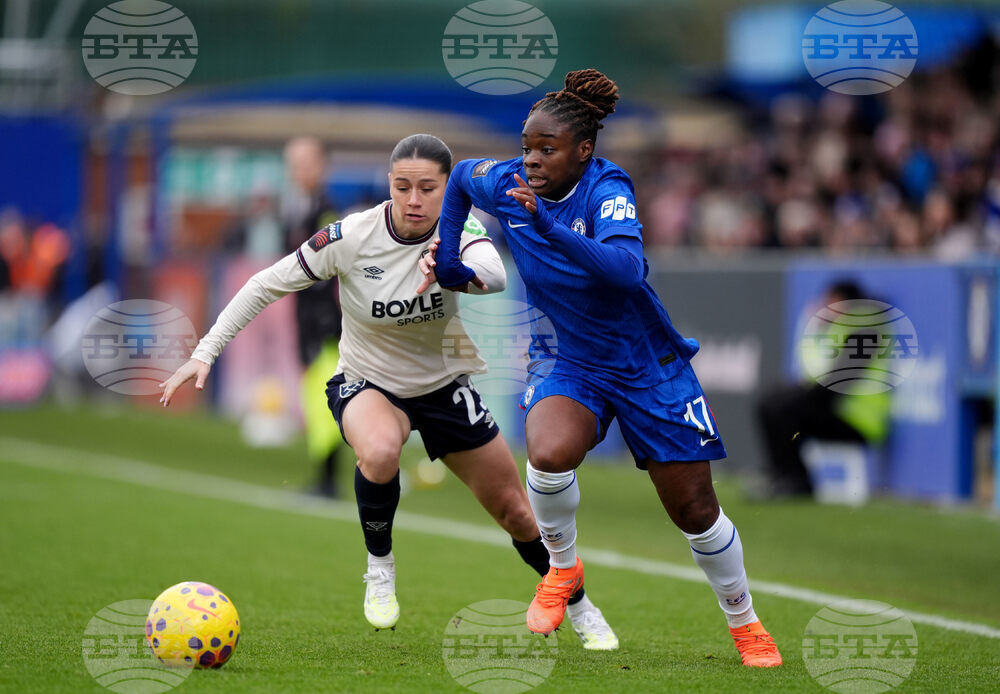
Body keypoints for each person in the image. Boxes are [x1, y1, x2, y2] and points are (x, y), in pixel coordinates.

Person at [158, 134, 619, 649]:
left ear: (448, 189)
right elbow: (266, 283)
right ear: (389, 186)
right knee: (378, 452)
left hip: (443, 387)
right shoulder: (351, 235)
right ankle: (380, 567)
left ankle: (580, 605)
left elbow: (494, 277)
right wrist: (205, 351)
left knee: (516, 513)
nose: (414, 200)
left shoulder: (458, 228)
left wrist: (451, 270)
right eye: (403, 187)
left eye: (428, 188)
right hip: (368, 381)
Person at [430, 70, 782, 667]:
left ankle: (743, 620)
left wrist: (546, 227)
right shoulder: (509, 182)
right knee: (547, 453)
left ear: (584, 151)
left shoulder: (607, 187)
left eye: (547, 149)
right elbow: (461, 177)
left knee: (695, 512)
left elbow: (625, 270)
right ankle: (562, 570)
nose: (531, 160)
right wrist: (447, 262)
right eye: (527, 147)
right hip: (570, 359)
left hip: (647, 365)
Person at [756, 281, 891, 498]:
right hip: (838, 411)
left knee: (784, 409)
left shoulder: (867, 329)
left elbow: (837, 383)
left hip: (858, 421)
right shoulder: (842, 328)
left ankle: (796, 481)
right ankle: (782, 476)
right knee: (772, 402)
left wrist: (799, 396)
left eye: (831, 301)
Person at [283, 136, 346, 497]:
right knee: (316, 398)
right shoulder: (296, 208)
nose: (299, 171)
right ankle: (324, 478)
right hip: (308, 320)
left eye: (306, 163)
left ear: (322, 166)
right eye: (294, 164)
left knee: (326, 398)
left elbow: (326, 270)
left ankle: (329, 481)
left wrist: (324, 322)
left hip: (326, 325)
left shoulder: (325, 211)